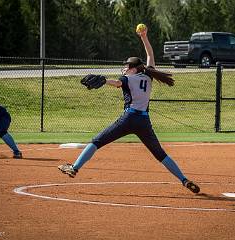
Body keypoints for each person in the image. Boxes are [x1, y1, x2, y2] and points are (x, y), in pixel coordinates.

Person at [58, 26, 200, 194]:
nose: (124, 68)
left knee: (97, 141)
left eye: (126, 66)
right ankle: (183, 180)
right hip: (144, 121)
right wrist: (144, 37)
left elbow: (118, 83)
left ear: (133, 68)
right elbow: (150, 55)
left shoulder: (128, 78)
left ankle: (74, 168)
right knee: (160, 154)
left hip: (128, 118)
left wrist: (104, 81)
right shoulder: (148, 76)